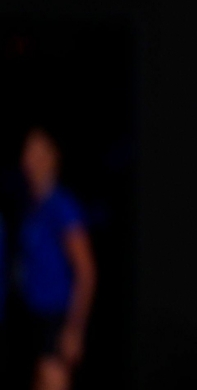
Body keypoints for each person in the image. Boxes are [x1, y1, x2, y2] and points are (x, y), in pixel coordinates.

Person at [12, 127, 97, 390]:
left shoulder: (62, 206)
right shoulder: (32, 206)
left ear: (53, 157)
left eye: (39, 152)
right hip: (32, 316)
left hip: (56, 318)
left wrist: (75, 330)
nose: (31, 159)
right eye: (28, 151)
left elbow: (86, 270)